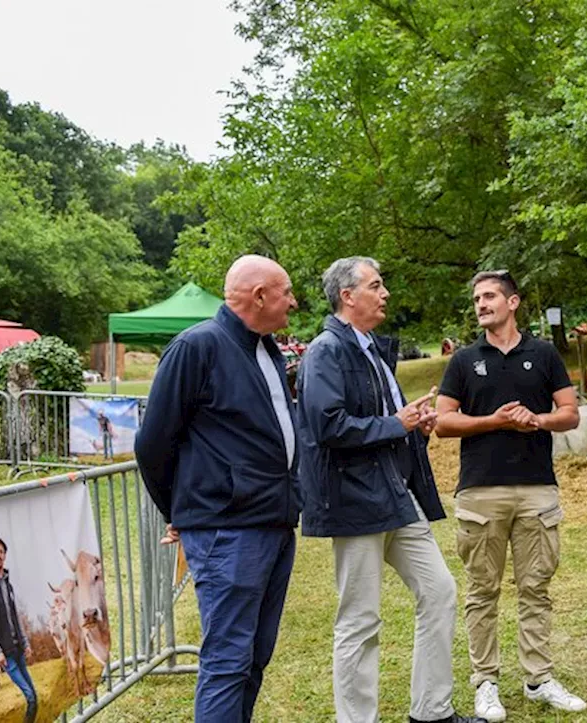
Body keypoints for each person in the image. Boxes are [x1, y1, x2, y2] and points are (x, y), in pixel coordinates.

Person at [297, 257, 481, 723]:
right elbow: (325, 425)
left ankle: (432, 711)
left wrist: (413, 427)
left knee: (439, 592)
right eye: (376, 286)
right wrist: (392, 423)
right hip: (355, 498)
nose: (385, 294)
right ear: (347, 296)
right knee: (360, 619)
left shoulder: (373, 350)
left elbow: (384, 420)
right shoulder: (325, 351)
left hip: (399, 495)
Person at [136, 254, 301, 723]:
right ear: (260, 296)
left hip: (273, 523)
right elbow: (153, 442)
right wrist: (182, 511)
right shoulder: (197, 347)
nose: (293, 301)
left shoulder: (267, 349)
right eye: (286, 291)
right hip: (227, 530)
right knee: (228, 662)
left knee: (253, 657)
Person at [436, 270, 586, 722]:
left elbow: (570, 414)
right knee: (482, 591)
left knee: (535, 589)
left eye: (489, 297)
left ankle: (538, 679)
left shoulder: (542, 354)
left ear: (513, 302)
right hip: (481, 491)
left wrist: (536, 420)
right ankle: (486, 683)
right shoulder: (464, 360)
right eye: (477, 298)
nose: (481, 304)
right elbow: (443, 423)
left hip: (537, 488)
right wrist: (493, 421)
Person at [0, 538, 37, 723]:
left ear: (5, 556)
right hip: (6, 656)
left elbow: (15, 617)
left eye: (2, 552)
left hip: (18, 651)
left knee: (34, 698)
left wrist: (25, 642)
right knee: (30, 697)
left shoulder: (8, 585)